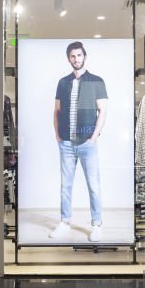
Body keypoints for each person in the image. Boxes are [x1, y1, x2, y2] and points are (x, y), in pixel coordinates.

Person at [50, 42, 108, 243]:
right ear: (69, 59)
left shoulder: (96, 81)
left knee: (94, 185)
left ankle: (97, 224)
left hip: (87, 143)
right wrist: (58, 135)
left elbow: (103, 111)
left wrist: (94, 137)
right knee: (65, 185)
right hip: (66, 143)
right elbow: (56, 111)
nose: (76, 59)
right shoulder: (63, 82)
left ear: (85, 56)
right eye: (72, 56)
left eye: (79, 55)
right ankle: (65, 222)